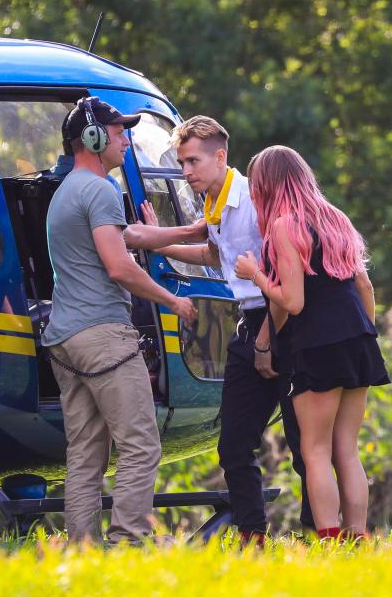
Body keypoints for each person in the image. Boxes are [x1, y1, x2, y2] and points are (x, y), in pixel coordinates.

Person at [124, 116, 313, 546]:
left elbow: (282, 277)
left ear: (221, 157)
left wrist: (267, 340)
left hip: (279, 317)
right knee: (233, 445)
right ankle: (253, 537)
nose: (185, 171)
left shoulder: (250, 198)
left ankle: (322, 531)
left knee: (303, 441)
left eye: (192, 162)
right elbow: (215, 252)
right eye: (181, 162)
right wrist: (155, 241)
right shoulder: (212, 202)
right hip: (248, 320)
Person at [42, 97, 197, 545]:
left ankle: (82, 548)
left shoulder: (68, 192)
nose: (126, 141)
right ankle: (129, 539)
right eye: (118, 132)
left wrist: (189, 232)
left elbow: (129, 235)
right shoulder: (100, 189)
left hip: (66, 340)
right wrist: (174, 301)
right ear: (91, 139)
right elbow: (119, 265)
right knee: (141, 443)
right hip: (104, 337)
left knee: (86, 452)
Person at [234, 145, 390, 541]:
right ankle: (359, 535)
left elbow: (293, 301)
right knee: (347, 450)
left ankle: (330, 538)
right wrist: (363, 335)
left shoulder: (286, 225)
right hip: (357, 338)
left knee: (315, 449)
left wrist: (255, 275)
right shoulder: (335, 218)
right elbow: (363, 284)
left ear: (267, 186)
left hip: (316, 344)